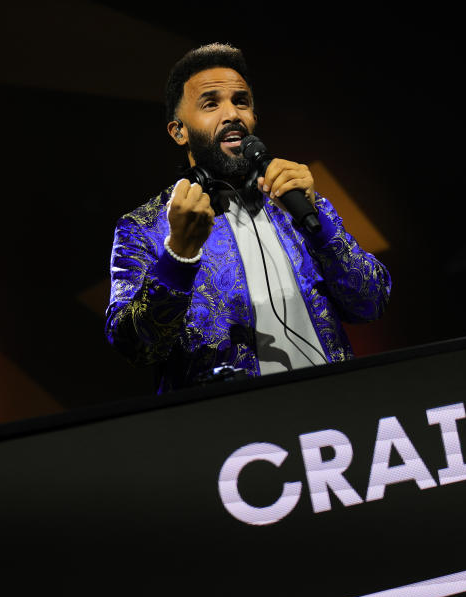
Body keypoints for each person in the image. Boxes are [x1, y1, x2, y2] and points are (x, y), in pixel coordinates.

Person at [105, 44, 391, 392]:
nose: (232, 114)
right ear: (178, 131)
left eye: (241, 102)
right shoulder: (145, 226)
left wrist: (318, 222)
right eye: (211, 103)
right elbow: (135, 347)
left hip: (332, 419)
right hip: (231, 435)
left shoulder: (294, 198)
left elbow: (371, 302)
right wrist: (179, 257)